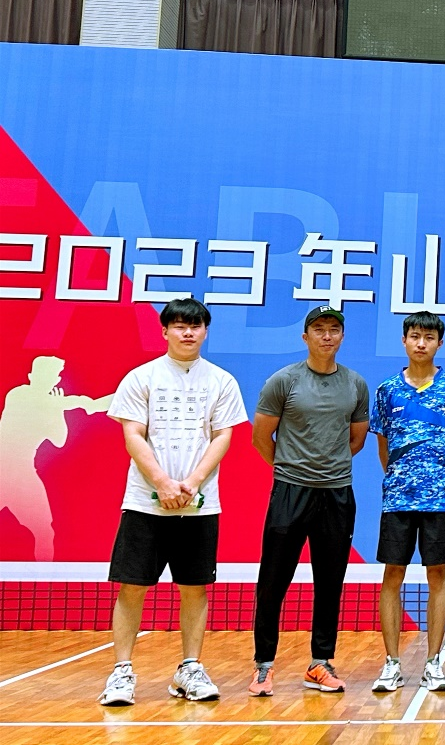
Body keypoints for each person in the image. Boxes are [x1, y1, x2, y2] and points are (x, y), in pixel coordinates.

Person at [97, 298, 248, 706]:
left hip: (199, 505)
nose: (187, 332)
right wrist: (163, 483)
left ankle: (189, 669)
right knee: (132, 587)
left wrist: (192, 484)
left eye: (195, 326)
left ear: (205, 332)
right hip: (145, 502)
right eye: (179, 326)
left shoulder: (222, 381)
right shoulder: (141, 377)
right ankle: (122, 672)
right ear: (164, 331)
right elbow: (133, 435)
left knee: (195, 588)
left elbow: (222, 436)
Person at [249, 305, 370, 696]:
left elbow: (356, 440)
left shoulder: (355, 384)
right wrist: (291, 469)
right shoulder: (283, 381)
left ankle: (320, 663)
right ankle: (263, 666)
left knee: (330, 582)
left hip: (337, 494)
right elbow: (260, 437)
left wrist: (326, 469)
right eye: (319, 329)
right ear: (305, 337)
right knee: (273, 581)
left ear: (342, 337)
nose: (327, 335)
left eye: (334, 329)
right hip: (290, 492)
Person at [370, 312, 445, 693]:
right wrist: (403, 478)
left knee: (437, 575)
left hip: (440, 499)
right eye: (415, 336)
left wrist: (439, 480)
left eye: (429, 337)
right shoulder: (387, 390)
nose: (421, 343)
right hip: (397, 499)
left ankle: (433, 663)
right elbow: (384, 447)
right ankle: (392, 663)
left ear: (439, 343)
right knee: (392, 575)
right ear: (404, 340)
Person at [0, 356, 112, 561]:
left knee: (44, 532)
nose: (50, 380)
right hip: (3, 470)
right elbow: (89, 405)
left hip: (24, 475)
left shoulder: (53, 405)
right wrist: (58, 406)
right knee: (44, 532)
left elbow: (59, 440)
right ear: (31, 376)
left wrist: (57, 411)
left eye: (53, 376)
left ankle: (44, 580)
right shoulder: (18, 394)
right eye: (45, 375)